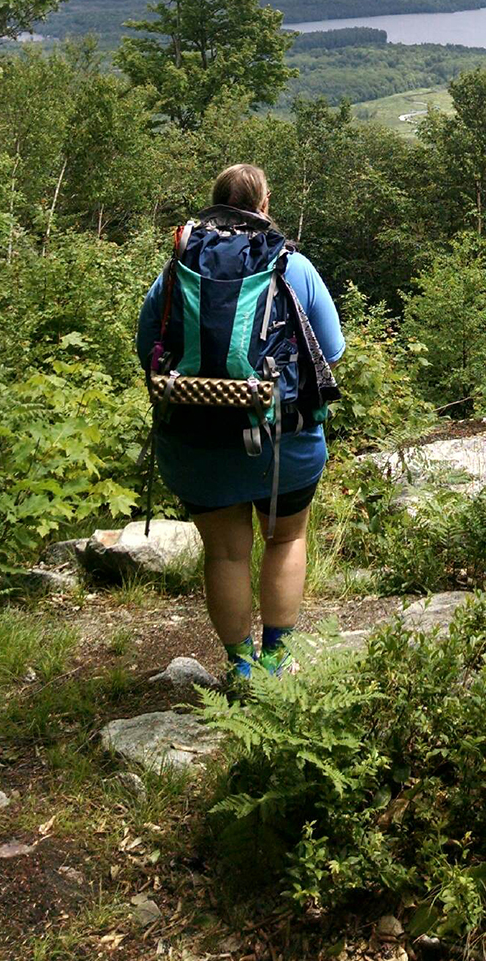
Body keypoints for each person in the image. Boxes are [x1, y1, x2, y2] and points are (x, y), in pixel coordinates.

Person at [136, 162, 344, 686]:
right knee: (285, 539)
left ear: (214, 204)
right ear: (264, 205)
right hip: (283, 440)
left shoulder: (178, 267)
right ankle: (277, 659)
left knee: (226, 552)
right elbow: (332, 352)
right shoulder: (292, 265)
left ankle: (241, 669)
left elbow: (148, 350)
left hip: (195, 439)